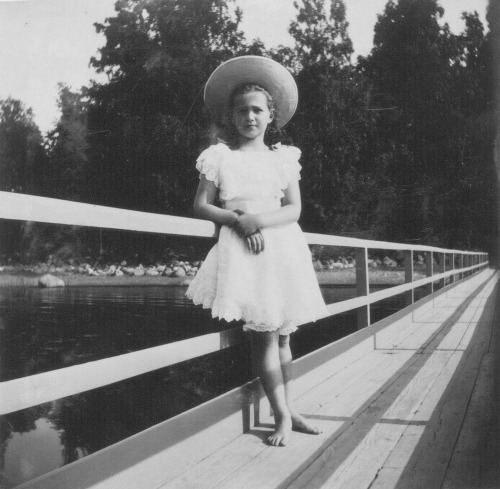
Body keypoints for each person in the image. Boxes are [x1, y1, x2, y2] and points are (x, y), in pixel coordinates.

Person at [186, 56, 328, 447]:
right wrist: (236, 218)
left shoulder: (282, 158)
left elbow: (294, 209)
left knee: (283, 337)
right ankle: (281, 416)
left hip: (280, 245)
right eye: (242, 110)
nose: (250, 116)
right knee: (264, 336)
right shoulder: (220, 157)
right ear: (232, 117)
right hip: (245, 254)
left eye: (257, 110)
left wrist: (258, 221)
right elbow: (202, 205)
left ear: (271, 116)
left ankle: (289, 408)